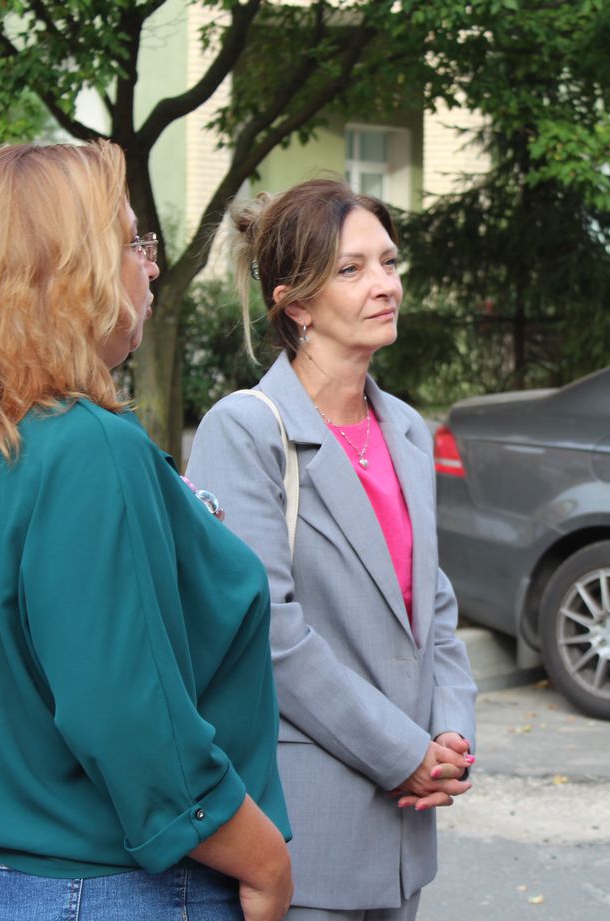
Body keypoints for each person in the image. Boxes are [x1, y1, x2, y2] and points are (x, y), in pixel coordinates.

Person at [0, 141, 293, 921]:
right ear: (73, 273)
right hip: (91, 881)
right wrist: (264, 859)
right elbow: (134, 723)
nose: (151, 265)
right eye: (133, 242)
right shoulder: (88, 447)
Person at [185, 178, 477, 921]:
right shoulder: (245, 431)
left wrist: (452, 734)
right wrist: (404, 753)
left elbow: (434, 605)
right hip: (306, 835)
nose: (385, 284)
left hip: (406, 833)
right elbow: (269, 635)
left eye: (388, 261)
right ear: (297, 304)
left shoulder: (406, 430)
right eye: (352, 269)